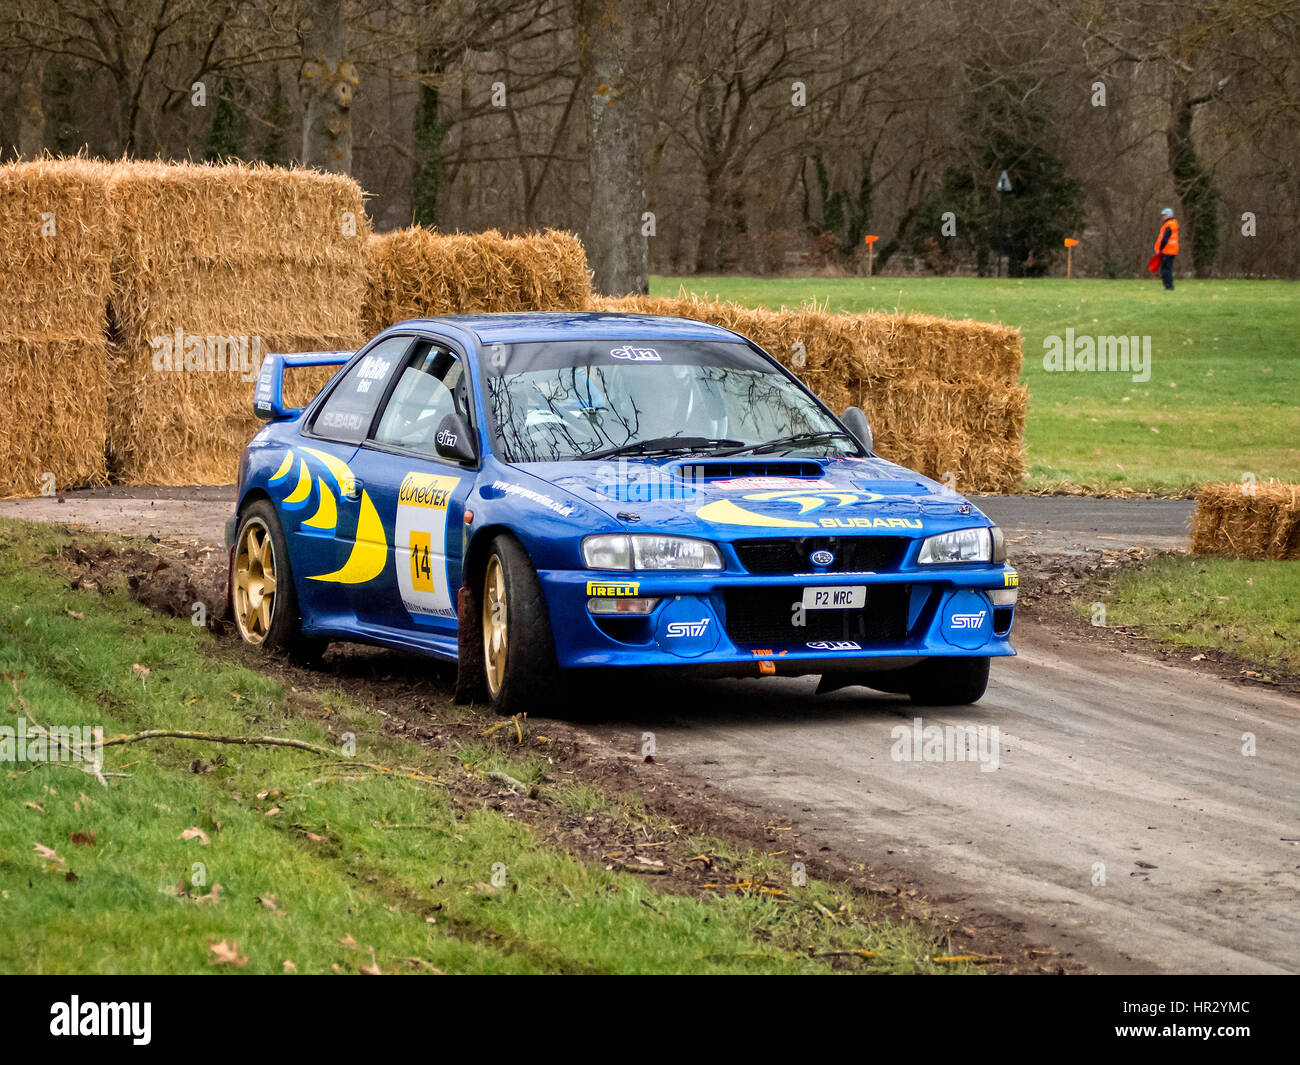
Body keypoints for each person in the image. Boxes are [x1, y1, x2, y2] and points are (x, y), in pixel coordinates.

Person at [1155, 207, 1179, 290]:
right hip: (1171, 250)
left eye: (1165, 215)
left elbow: (1165, 239)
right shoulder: (1173, 223)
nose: (1163, 217)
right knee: (1167, 268)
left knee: (1166, 269)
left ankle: (1169, 286)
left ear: (1169, 215)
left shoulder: (1169, 225)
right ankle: (1168, 285)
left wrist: (1160, 249)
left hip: (1168, 251)